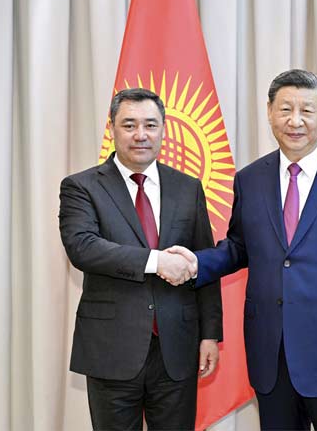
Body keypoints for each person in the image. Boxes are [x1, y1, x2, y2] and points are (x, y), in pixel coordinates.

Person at [163, 70, 317, 430]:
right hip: (271, 351)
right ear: (270, 112)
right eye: (285, 109)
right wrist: (196, 262)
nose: (295, 121)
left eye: (307, 110)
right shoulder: (250, 179)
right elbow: (239, 247)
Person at [59, 88, 222, 431]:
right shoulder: (82, 186)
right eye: (129, 125)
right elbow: (82, 247)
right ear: (112, 128)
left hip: (177, 349)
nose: (140, 134)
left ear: (163, 129)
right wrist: (156, 261)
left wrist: (210, 334)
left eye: (150, 124)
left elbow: (203, 262)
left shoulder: (188, 187)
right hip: (111, 348)